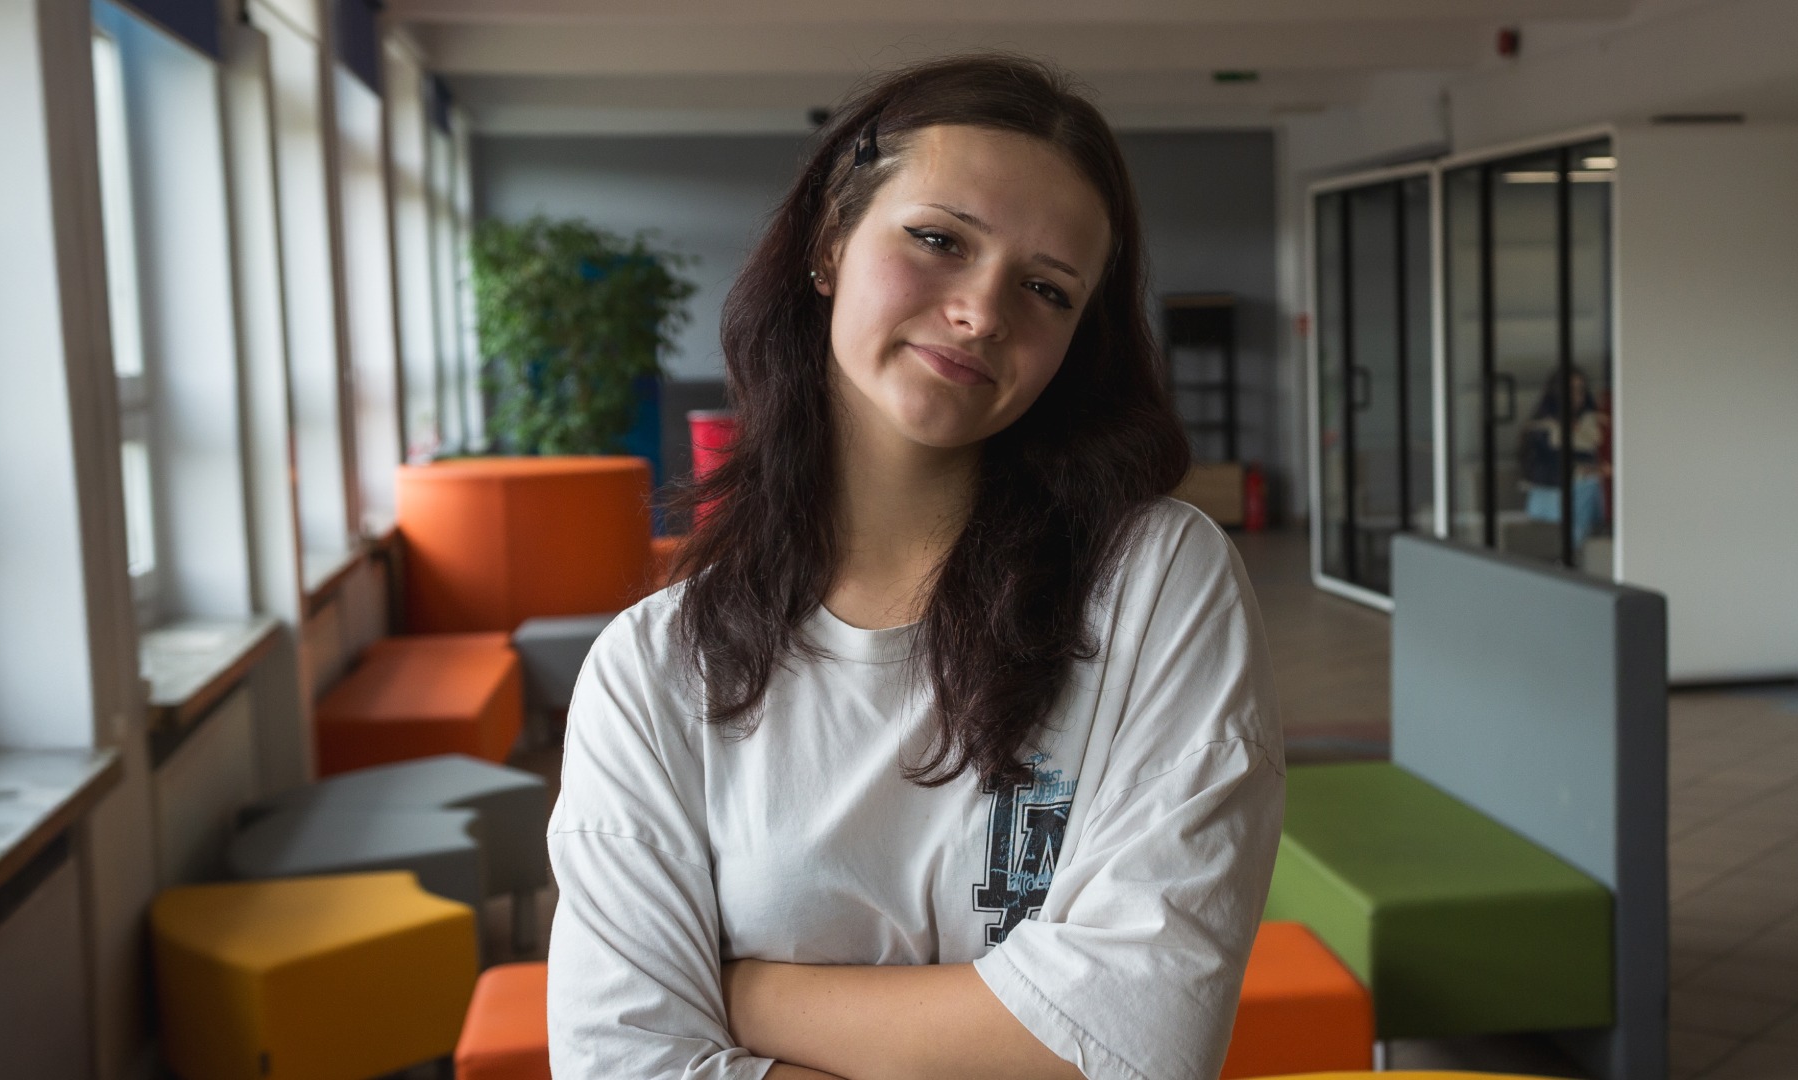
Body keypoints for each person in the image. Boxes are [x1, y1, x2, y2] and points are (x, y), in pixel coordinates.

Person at [547, 54, 1285, 1080]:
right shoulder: (657, 669)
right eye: (940, 240)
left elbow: (1142, 1039)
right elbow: (618, 1063)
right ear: (830, 242)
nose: (983, 312)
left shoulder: (1155, 584)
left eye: (1046, 289)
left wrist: (743, 996)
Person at [1518, 366, 1609, 550]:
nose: (1576, 396)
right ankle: (1572, 551)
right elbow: (1536, 471)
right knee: (1589, 485)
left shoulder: (1592, 424)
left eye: (1580, 390)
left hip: (1587, 499)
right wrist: (1578, 472)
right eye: (1570, 390)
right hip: (1550, 495)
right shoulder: (1540, 429)